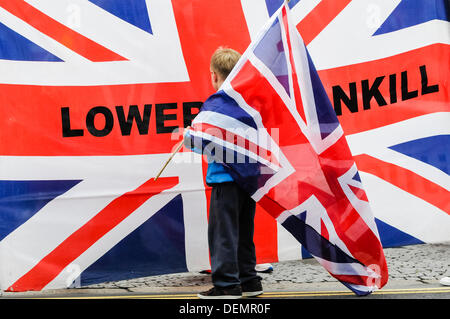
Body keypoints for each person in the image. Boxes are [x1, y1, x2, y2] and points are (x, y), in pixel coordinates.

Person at [186, 47, 263, 299]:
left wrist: (188, 135)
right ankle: (249, 281)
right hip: (248, 181)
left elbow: (198, 143)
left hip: (224, 179)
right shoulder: (248, 103)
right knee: (243, 233)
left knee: (223, 234)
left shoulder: (216, 105)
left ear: (213, 75)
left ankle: (227, 285)